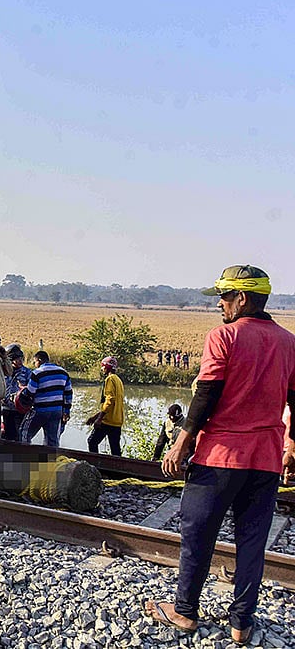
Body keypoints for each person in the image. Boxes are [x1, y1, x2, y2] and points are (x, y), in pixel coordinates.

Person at [145, 265, 295, 644]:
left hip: (220, 458)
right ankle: (242, 623)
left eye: (225, 297)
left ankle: (184, 611)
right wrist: (292, 447)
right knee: (252, 542)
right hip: (265, 460)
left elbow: (206, 393)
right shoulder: (288, 342)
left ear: (242, 298)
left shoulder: (223, 337)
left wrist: (181, 441)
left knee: (197, 534)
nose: (220, 304)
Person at [19, 350, 72, 447]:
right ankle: (51, 460)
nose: (35, 364)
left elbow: (30, 392)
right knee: (52, 440)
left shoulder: (37, 373)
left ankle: (24, 456)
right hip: (57, 411)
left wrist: (23, 390)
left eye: (35, 362)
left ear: (39, 360)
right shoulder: (64, 373)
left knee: (24, 433)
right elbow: (68, 394)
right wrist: (66, 411)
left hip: (40, 410)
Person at [86, 356, 125, 456]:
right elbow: (112, 403)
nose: (102, 369)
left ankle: (96, 466)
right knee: (115, 450)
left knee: (92, 441)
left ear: (107, 367)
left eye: (103, 366)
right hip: (117, 421)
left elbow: (110, 400)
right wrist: (94, 417)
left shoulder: (110, 379)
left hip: (107, 421)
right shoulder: (118, 380)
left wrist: (99, 419)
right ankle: (117, 469)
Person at [1, 343, 31, 442]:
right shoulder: (3, 371)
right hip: (6, 408)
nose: (20, 361)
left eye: (21, 359)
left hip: (20, 409)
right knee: (7, 435)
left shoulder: (27, 372)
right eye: (17, 359)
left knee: (20, 435)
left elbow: (31, 390)